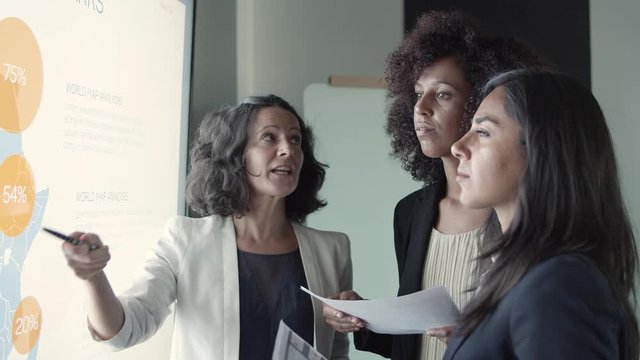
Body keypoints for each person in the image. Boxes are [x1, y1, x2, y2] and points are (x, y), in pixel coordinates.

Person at [322, 11, 544, 360]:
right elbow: (414, 339)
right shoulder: (410, 213)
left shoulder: (520, 211)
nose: (420, 109)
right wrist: (362, 317)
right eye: (417, 93)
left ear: (479, 104)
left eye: (441, 95)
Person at [60, 95, 352, 359]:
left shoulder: (332, 249)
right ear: (237, 154)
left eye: (296, 139)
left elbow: (336, 353)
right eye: (269, 138)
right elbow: (124, 330)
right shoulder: (185, 240)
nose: (288, 149)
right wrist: (93, 276)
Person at [445, 69, 639, 359]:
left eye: (483, 132)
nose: (458, 147)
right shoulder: (521, 274)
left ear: (540, 150)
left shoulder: (560, 283)